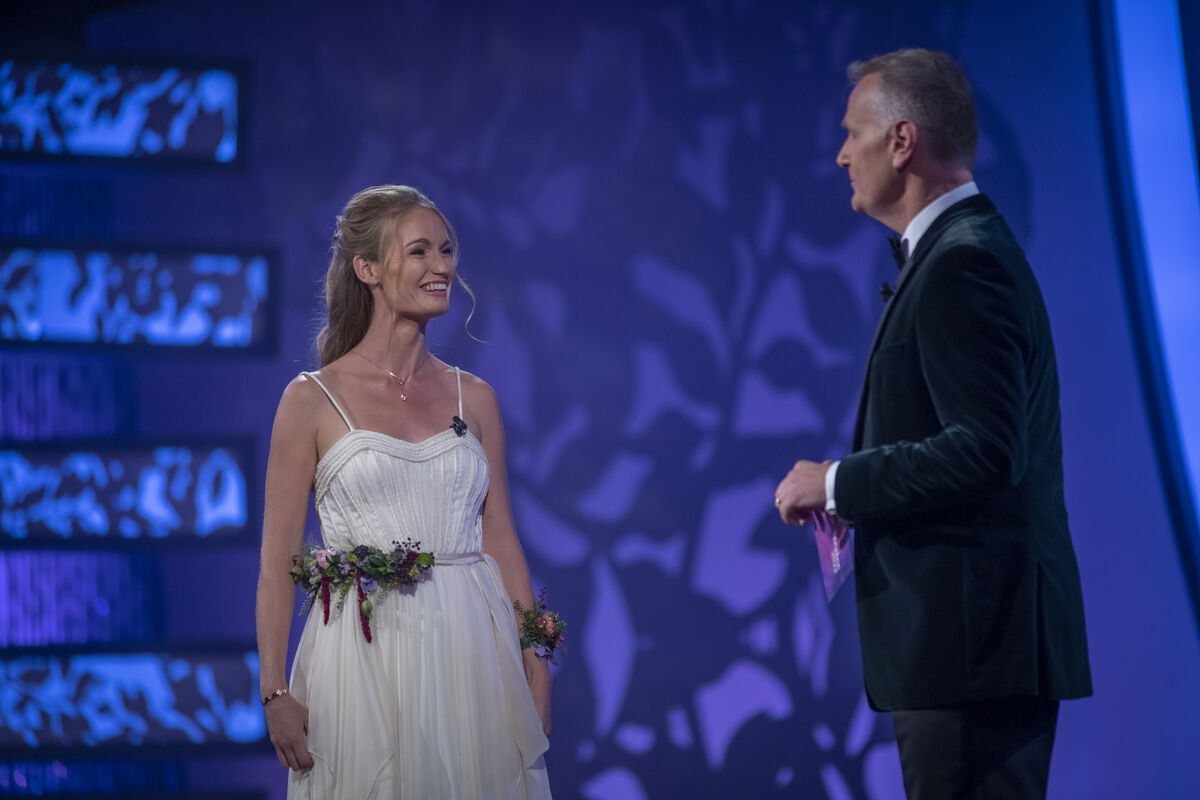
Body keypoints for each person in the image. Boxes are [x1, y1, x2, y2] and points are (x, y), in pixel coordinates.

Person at [774, 50, 1091, 799]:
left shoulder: (962, 265)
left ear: (903, 141)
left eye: (855, 132)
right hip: (971, 648)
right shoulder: (959, 254)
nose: (841, 153)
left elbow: (985, 450)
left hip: (973, 650)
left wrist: (838, 482)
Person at [255, 185, 553, 798]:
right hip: (361, 663)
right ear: (367, 268)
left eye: (446, 250)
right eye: (419, 251)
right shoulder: (311, 400)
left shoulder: (478, 398)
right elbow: (277, 564)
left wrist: (537, 666)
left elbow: (502, 541)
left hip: (474, 659)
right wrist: (274, 690)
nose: (442, 266)